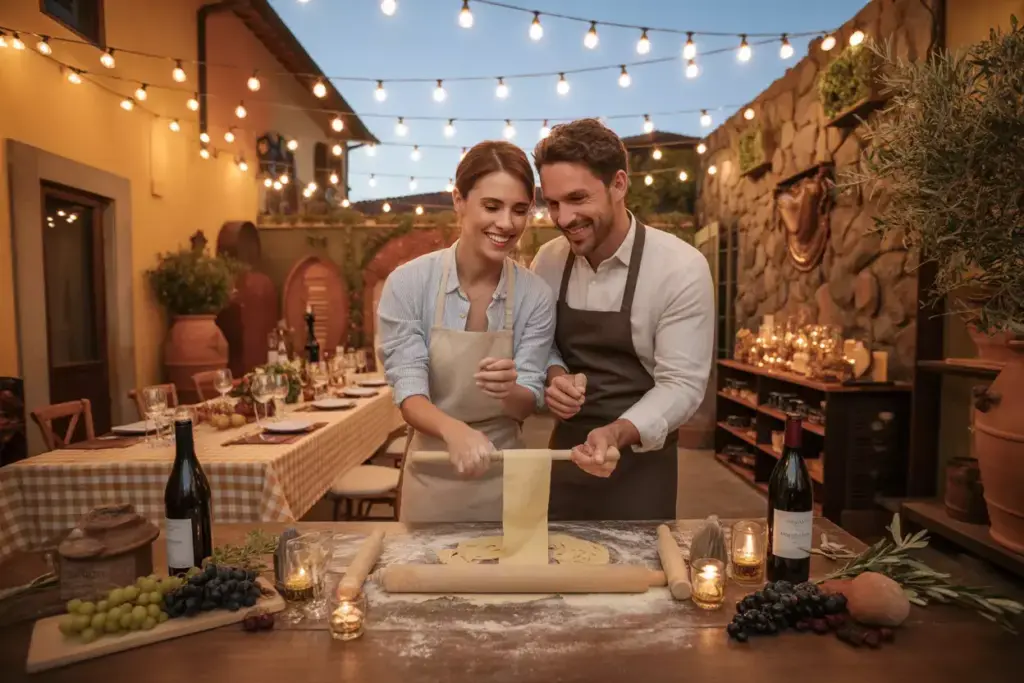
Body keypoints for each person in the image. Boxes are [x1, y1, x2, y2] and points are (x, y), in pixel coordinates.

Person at [530, 118, 715, 521]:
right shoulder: (547, 262)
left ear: (618, 184)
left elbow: (682, 385)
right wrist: (555, 374)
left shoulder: (679, 267)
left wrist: (616, 432)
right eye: (553, 203)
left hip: (641, 466)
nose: (563, 218)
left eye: (578, 198)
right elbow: (541, 344)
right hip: (565, 455)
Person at [377, 140, 556, 523]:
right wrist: (453, 430)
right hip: (433, 468)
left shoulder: (535, 296)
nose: (506, 223)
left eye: (519, 210)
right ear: (459, 200)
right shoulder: (408, 284)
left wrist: (511, 390)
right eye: (492, 206)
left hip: (507, 477)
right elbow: (409, 392)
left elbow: (528, 403)